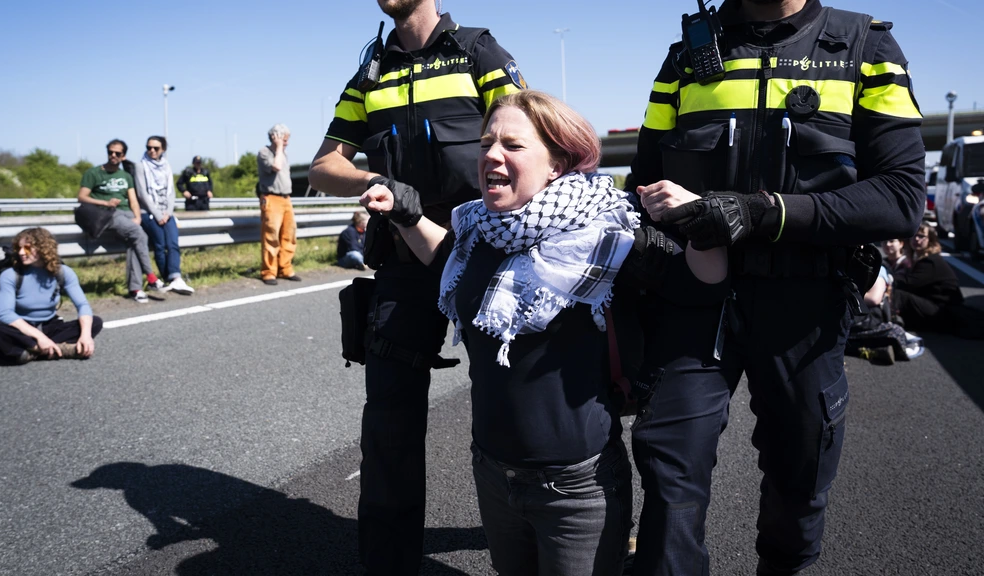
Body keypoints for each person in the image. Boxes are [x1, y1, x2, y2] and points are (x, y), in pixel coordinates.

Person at [362, 90, 727, 576]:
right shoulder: (478, 228)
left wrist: (701, 222)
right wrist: (407, 215)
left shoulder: (609, 233)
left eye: (512, 145)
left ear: (557, 164)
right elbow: (447, 258)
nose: (491, 155)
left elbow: (700, 285)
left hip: (577, 490)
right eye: (486, 143)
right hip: (492, 474)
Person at [626, 1, 926, 574]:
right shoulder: (685, 57)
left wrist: (761, 213)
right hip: (694, 298)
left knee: (800, 473)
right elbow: (642, 184)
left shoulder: (866, 47)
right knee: (668, 468)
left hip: (805, 301)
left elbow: (901, 196)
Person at [308, 1, 526, 572]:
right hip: (403, 263)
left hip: (484, 261)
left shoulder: (478, 52)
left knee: (516, 412)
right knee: (388, 427)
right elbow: (323, 166)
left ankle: (566, 536)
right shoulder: (371, 73)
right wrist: (376, 179)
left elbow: (532, 138)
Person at [0, 228, 103, 364]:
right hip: (21, 329)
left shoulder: (63, 272)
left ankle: (31, 352)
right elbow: (5, 314)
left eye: (27, 248)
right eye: (19, 248)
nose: (21, 252)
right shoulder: (10, 275)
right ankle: (54, 349)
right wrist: (40, 338)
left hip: (50, 326)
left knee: (95, 322)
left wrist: (86, 336)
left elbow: (82, 305)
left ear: (43, 248)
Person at [77, 139, 166, 303]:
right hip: (107, 213)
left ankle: (135, 289)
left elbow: (133, 200)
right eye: (110, 152)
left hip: (127, 213)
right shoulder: (94, 173)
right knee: (138, 234)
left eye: (117, 153)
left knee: (136, 241)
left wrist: (137, 217)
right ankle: (151, 276)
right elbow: (82, 197)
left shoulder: (126, 176)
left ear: (123, 156)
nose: (113, 155)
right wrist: (105, 203)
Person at [134, 136, 195, 296]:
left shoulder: (166, 165)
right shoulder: (140, 166)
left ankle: (176, 277)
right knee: (160, 245)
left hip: (166, 213)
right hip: (149, 213)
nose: (152, 151)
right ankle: (168, 278)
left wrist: (168, 212)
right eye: (149, 147)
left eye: (156, 148)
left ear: (163, 150)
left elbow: (171, 192)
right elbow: (142, 193)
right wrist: (157, 214)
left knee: (173, 243)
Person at [890, 223, 963, 332]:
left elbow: (908, 283)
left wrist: (887, 278)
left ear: (930, 240)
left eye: (921, 236)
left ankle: (887, 320)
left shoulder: (930, 261)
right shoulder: (920, 257)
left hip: (944, 311)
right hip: (935, 305)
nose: (916, 239)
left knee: (900, 295)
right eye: (914, 235)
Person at [257, 124, 301, 286]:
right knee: (271, 236)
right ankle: (269, 272)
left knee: (289, 235)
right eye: (285, 139)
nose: (287, 143)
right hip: (271, 198)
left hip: (286, 198)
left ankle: (285, 268)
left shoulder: (283, 153)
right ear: (276, 137)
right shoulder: (264, 152)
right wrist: (279, 146)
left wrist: (281, 148)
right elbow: (276, 166)